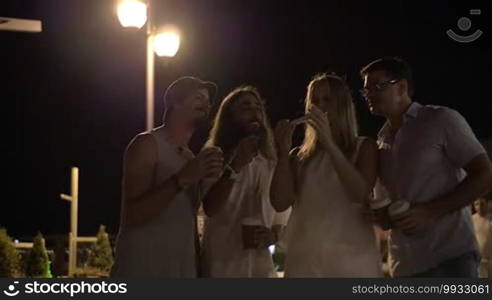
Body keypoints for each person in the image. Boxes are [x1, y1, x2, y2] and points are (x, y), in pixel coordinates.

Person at [361, 57, 492, 277]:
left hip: (450, 260)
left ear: (402, 87)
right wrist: (384, 217)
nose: (370, 95)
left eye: (377, 86)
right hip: (404, 265)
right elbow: (391, 204)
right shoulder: (381, 140)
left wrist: (430, 211)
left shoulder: (440, 120)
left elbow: (485, 173)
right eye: (366, 91)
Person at [270, 73, 382, 277]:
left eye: (327, 99)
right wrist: (283, 153)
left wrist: (329, 143)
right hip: (304, 262)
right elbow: (279, 202)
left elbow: (360, 194)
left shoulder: (364, 146)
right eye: (314, 100)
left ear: (342, 105)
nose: (319, 106)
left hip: (351, 262)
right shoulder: (299, 156)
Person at [111, 76, 224, 277]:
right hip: (143, 268)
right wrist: (183, 178)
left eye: (208, 101)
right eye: (198, 97)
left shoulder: (190, 157)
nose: (206, 104)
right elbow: (134, 215)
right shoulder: (147, 144)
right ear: (175, 102)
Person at [200, 86, 289, 277]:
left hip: (261, 270)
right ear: (229, 118)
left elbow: (281, 219)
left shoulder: (270, 163)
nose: (255, 112)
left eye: (258, 107)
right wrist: (235, 166)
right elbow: (210, 208)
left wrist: (273, 236)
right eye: (246, 107)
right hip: (222, 269)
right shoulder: (213, 157)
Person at [472, 195, 492, 277]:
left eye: (482, 204)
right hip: (479, 261)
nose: (479, 207)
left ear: (487, 204)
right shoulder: (471, 219)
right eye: (476, 204)